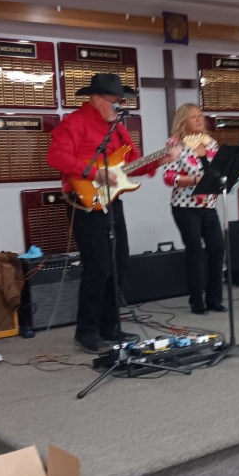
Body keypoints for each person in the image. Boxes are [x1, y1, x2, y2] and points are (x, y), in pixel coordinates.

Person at [47, 72, 172, 353]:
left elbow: (131, 165)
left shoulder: (118, 128)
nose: (119, 105)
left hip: (112, 201)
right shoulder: (75, 122)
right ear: (95, 98)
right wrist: (94, 173)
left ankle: (110, 326)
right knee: (98, 267)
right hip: (84, 201)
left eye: (121, 101)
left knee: (119, 264)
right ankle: (86, 331)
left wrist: (160, 160)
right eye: (115, 100)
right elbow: (55, 156)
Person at [163, 103, 225, 315]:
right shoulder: (174, 145)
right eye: (193, 117)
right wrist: (193, 180)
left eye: (200, 115)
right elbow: (168, 177)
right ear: (183, 122)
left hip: (208, 205)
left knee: (217, 248)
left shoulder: (211, 143)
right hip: (185, 207)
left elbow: (219, 170)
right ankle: (197, 301)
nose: (199, 119)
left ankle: (214, 299)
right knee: (195, 250)